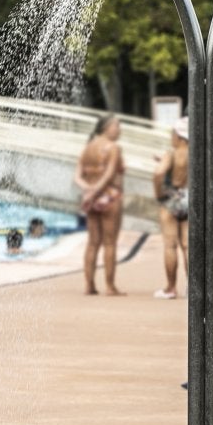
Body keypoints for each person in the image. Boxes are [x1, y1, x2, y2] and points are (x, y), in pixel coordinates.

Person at [74, 114, 125, 295]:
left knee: (93, 243)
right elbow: (110, 174)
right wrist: (96, 191)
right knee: (110, 243)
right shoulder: (113, 148)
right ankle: (110, 286)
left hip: (92, 199)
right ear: (106, 128)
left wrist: (89, 191)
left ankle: (90, 285)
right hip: (109, 196)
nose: (119, 130)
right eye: (116, 126)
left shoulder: (88, 148)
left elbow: (77, 177)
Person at [151, 117, 190, 299]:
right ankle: (194, 288)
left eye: (173, 134)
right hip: (191, 199)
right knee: (188, 246)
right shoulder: (198, 153)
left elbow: (159, 173)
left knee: (170, 246)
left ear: (181, 137)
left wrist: (159, 194)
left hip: (172, 199)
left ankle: (171, 288)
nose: (171, 137)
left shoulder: (172, 153)